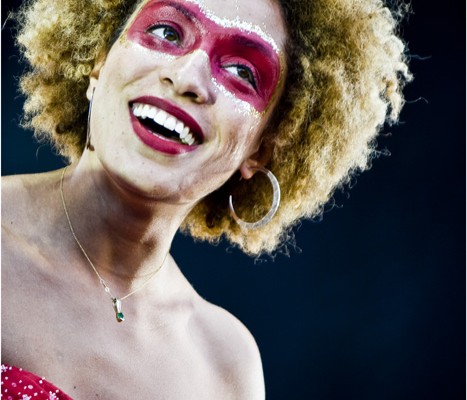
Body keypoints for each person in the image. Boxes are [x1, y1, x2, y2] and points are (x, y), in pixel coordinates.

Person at [1, 0, 410, 398]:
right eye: (166, 31)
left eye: (241, 72)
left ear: (262, 149)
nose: (188, 78)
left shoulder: (226, 366)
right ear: (98, 62)